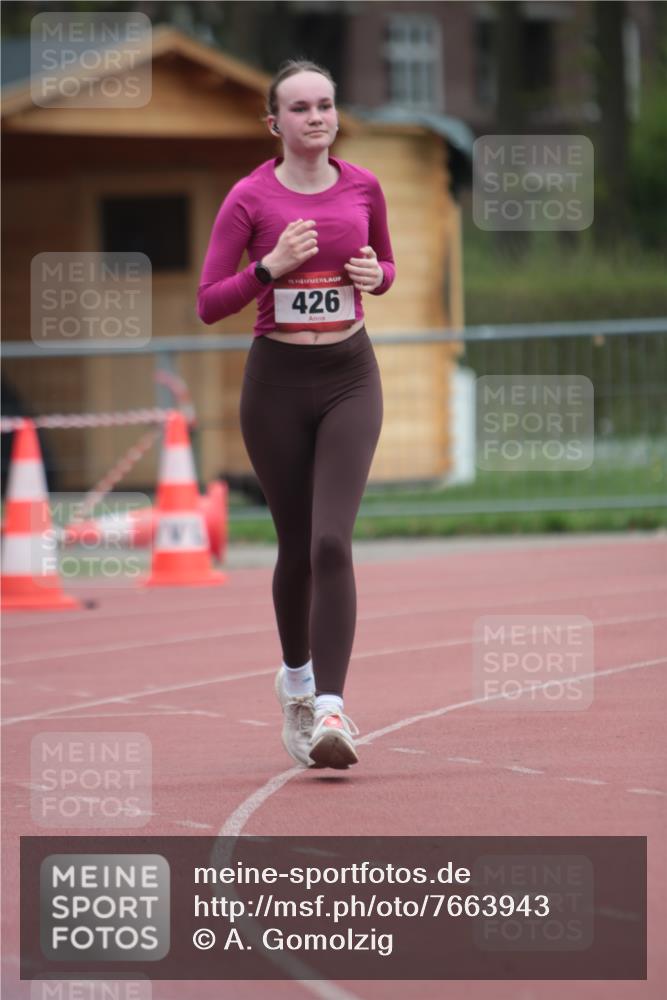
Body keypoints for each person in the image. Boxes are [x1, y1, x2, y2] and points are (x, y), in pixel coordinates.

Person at [197, 59, 395, 770]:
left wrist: (378, 276)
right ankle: (297, 683)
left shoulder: (363, 186)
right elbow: (210, 301)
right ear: (274, 122)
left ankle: (333, 708)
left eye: (325, 105)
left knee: (330, 543)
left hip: (349, 374)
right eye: (300, 108)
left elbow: (386, 268)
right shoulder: (249, 198)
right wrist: (269, 267)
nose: (316, 117)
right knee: (294, 549)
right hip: (276, 382)